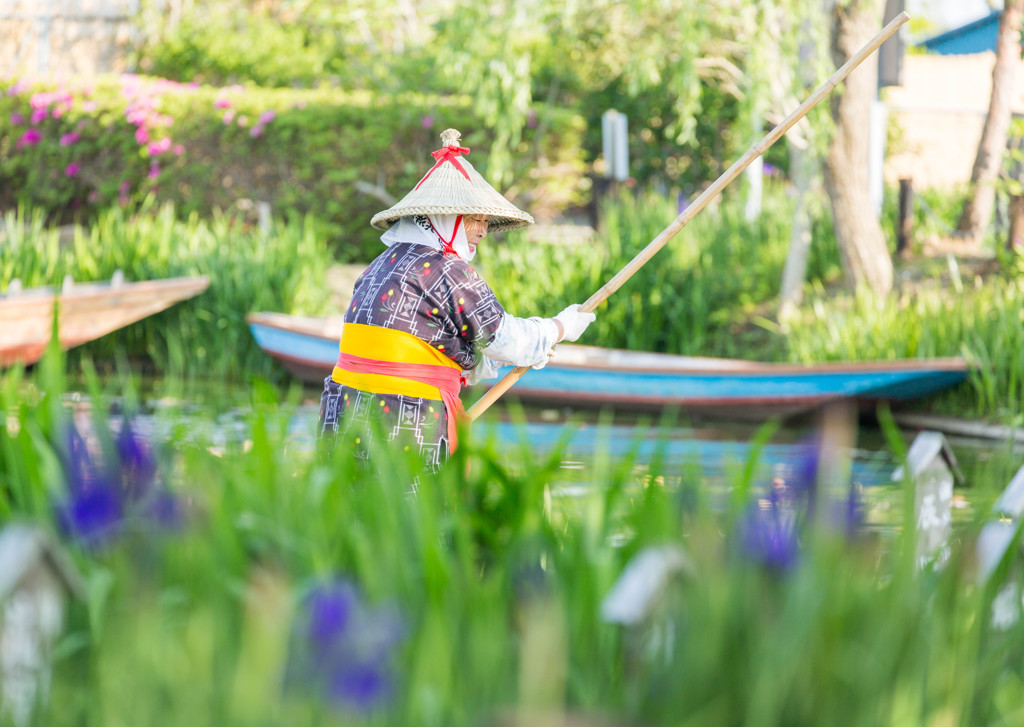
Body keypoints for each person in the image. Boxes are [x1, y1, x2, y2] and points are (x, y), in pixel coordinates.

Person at [318, 128, 595, 474]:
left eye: (484, 219)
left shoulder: (381, 263)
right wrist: (560, 327)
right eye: (473, 218)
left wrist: (517, 352)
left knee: (358, 520)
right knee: (416, 524)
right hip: (405, 417)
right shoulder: (448, 270)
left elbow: (431, 341)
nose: (482, 229)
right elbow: (506, 340)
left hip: (345, 410)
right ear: (443, 217)